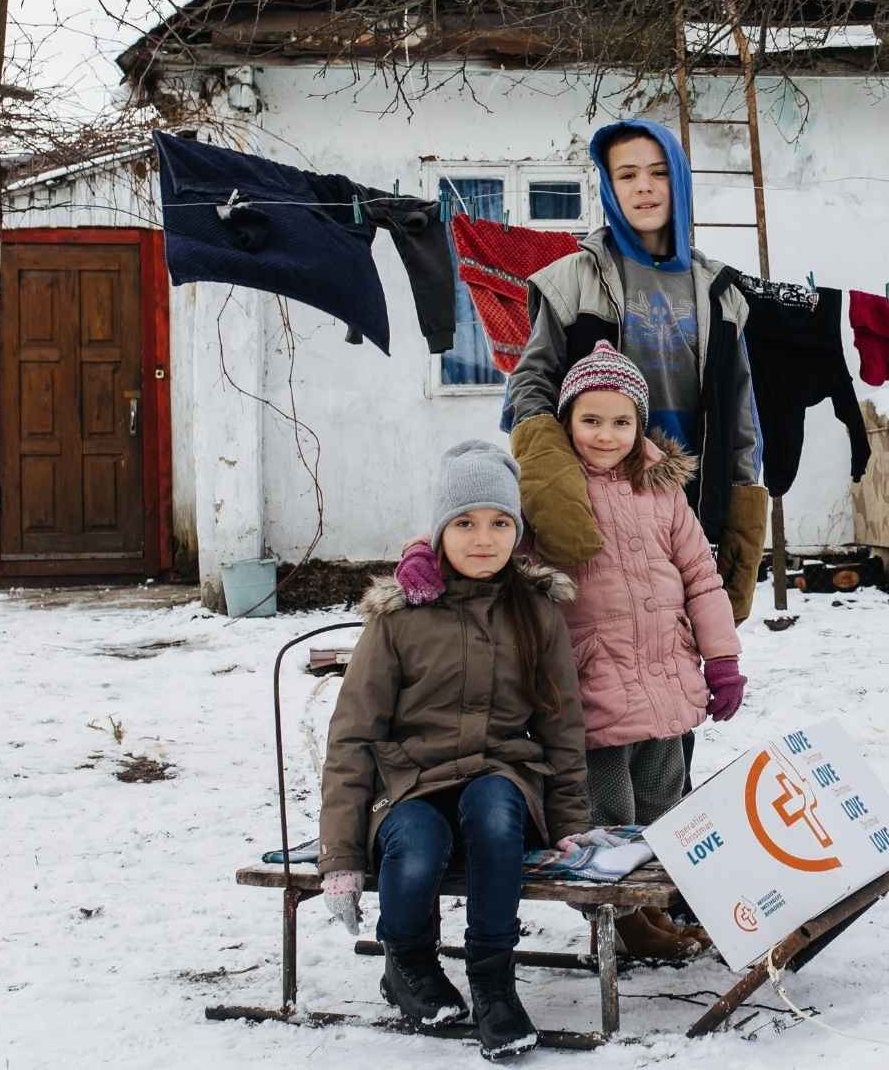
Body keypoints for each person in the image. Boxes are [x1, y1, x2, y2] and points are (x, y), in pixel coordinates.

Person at [317, 440, 607, 1062]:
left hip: (498, 774)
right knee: (416, 851)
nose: (484, 538)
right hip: (410, 785)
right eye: (466, 523)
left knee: (499, 816)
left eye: (500, 522)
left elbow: (561, 727)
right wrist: (340, 855)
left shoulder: (536, 611)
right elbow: (353, 736)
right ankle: (409, 966)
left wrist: (573, 824)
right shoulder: (399, 617)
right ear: (441, 530)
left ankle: (494, 984)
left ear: (517, 530)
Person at [502, 118, 770, 624]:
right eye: (626, 175)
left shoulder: (722, 294)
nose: (643, 186)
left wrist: (742, 524)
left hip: (686, 502)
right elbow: (530, 386)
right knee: (600, 647)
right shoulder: (574, 280)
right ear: (608, 186)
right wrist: (553, 486)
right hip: (596, 496)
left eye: (658, 172)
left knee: (676, 648)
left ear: (681, 182)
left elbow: (741, 416)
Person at [551, 341, 749, 958]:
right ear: (567, 421)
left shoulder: (661, 489)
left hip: (665, 674)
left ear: (639, 424)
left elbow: (700, 574)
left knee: (666, 802)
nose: (605, 435)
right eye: (590, 420)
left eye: (620, 421)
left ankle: (653, 908)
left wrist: (721, 659)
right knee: (610, 810)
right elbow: (487, 531)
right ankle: (622, 922)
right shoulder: (550, 488)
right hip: (596, 676)